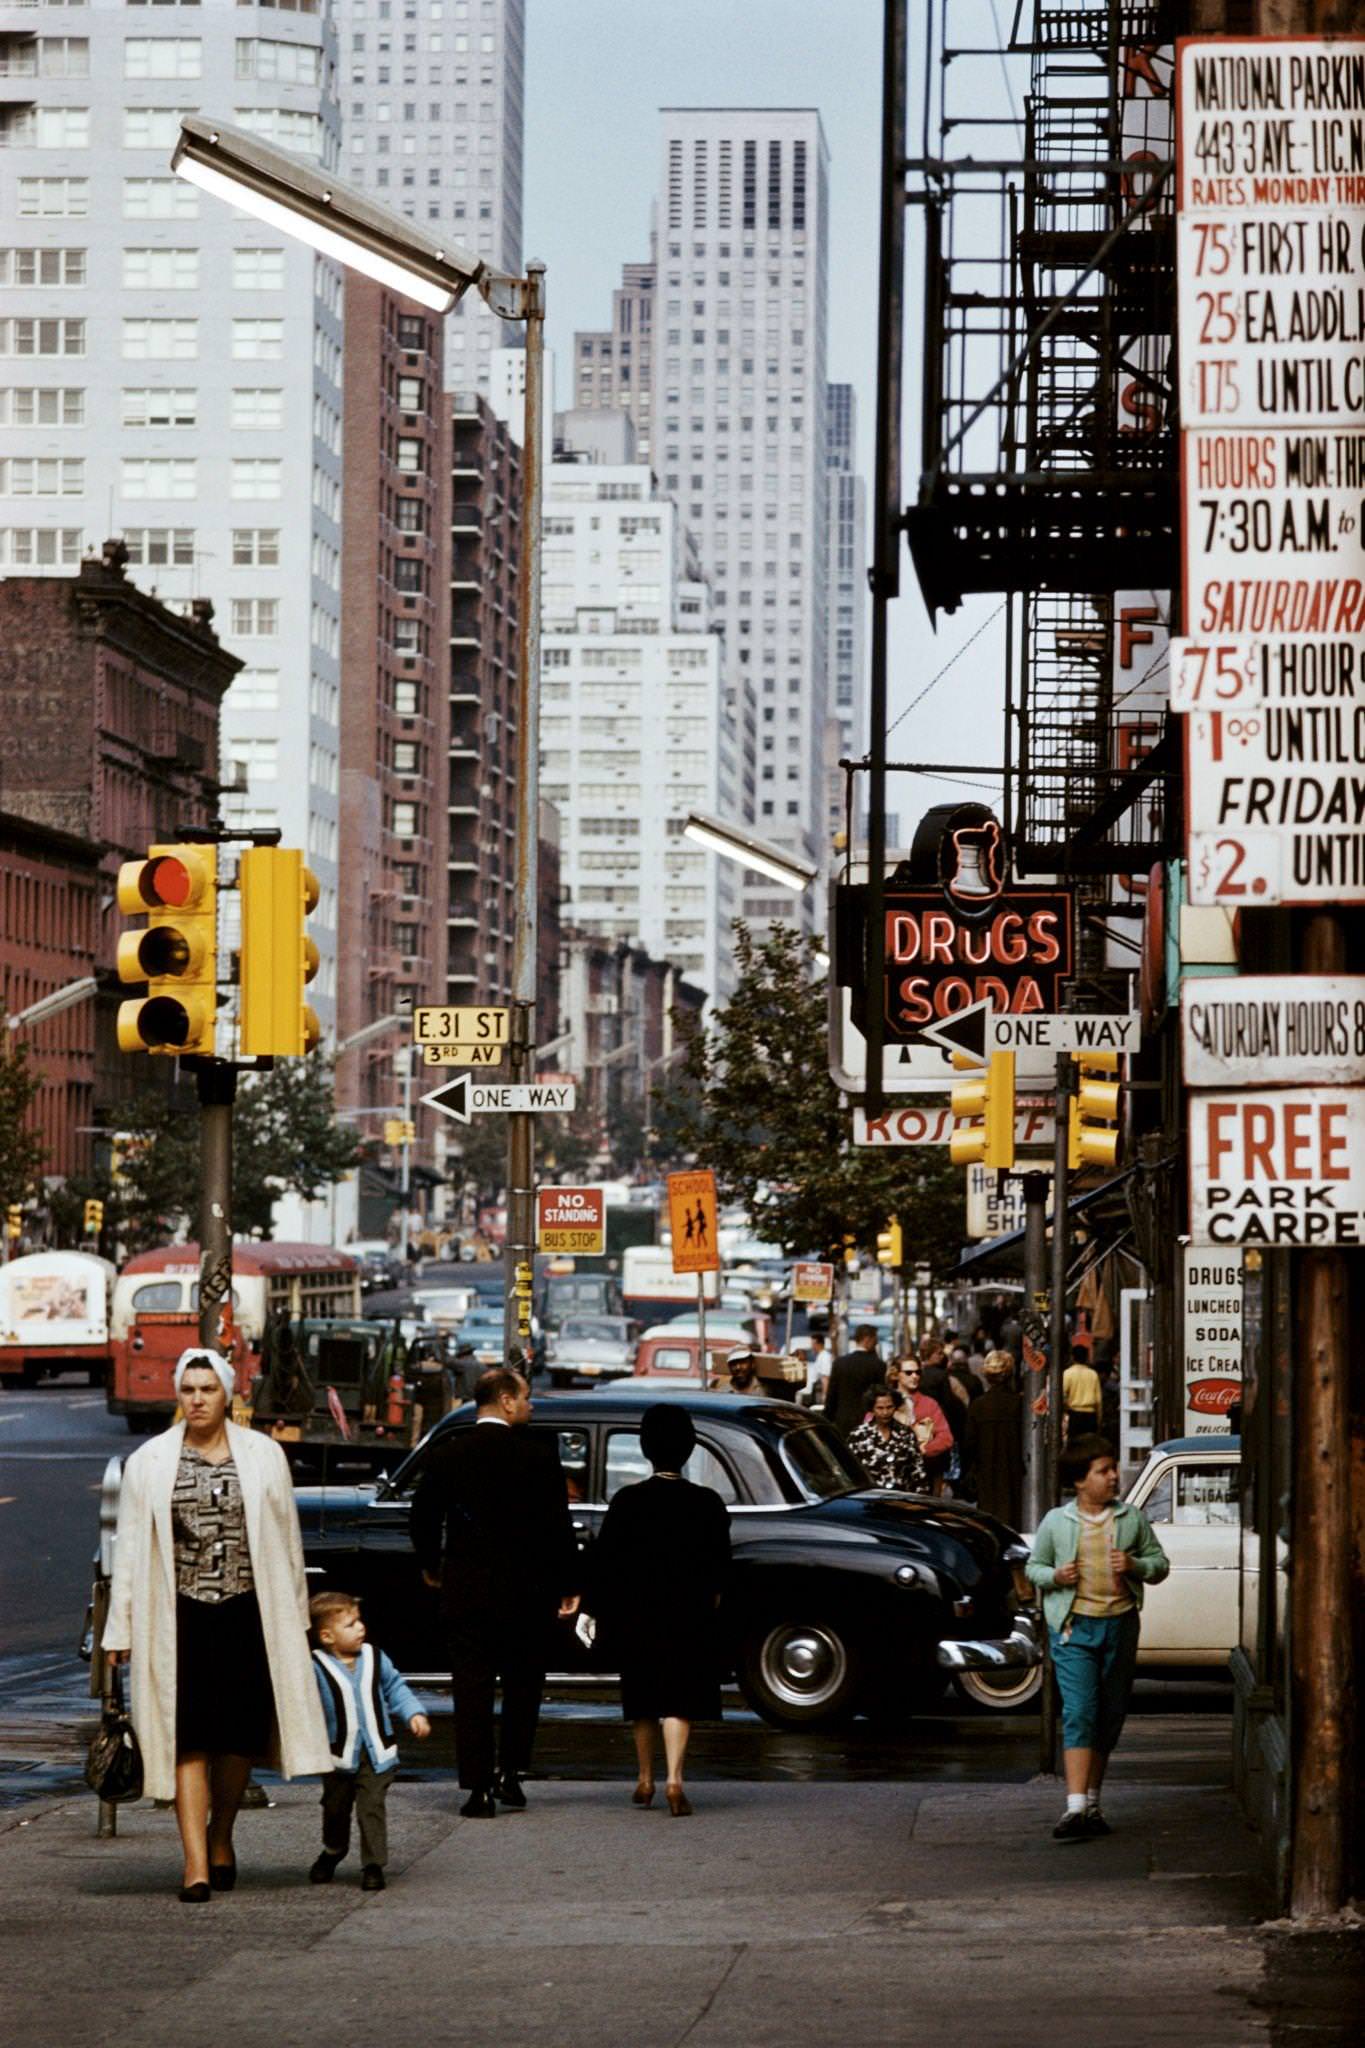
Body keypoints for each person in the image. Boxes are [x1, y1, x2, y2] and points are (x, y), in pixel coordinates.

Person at [102, 1349, 332, 1901]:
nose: (198, 1399)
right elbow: (129, 1550)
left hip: (247, 1613)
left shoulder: (263, 1455)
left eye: (208, 1389)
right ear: (177, 1396)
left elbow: (287, 1542)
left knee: (236, 1745)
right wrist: (119, 1630)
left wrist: (297, 1618)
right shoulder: (150, 1461)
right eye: (188, 1390)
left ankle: (221, 1834)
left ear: (227, 1394)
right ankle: (196, 1865)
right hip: (179, 1618)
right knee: (189, 1741)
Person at [410, 1366, 580, 1816]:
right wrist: (567, 1583)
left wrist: (432, 1564)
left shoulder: (450, 1453)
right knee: (524, 1683)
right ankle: (511, 1774)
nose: (530, 1404)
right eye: (524, 1397)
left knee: (472, 1686)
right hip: (527, 1590)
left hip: (467, 1587)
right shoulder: (539, 1456)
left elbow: (422, 1516)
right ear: (505, 1401)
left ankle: (478, 1788)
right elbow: (557, 1528)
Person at [1026, 1434, 1169, 1842]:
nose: (1112, 1477)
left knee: (1109, 1715)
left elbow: (1160, 1566)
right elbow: (1034, 1567)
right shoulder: (1057, 1522)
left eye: (1111, 1470)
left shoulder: (1130, 1519)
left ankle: (1091, 1803)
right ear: (1080, 1481)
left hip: (1120, 1626)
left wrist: (1136, 1564)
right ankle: (1073, 1808)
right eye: (1103, 1471)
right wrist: (1055, 1576)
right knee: (1080, 1711)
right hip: (1073, 1628)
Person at [589, 1404, 730, 1818]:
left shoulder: (627, 1501)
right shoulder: (707, 1503)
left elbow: (606, 1562)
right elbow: (721, 1566)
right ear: (688, 1449)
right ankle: (675, 1780)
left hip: (639, 1614)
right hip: (689, 1613)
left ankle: (645, 1777)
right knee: (680, 1698)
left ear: (646, 1448)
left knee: (644, 1697)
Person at [308, 1590, 431, 1891]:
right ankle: (334, 1850)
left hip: (377, 1752)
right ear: (327, 1636)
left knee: (371, 1807)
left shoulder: (376, 1658)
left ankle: (373, 1864)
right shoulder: (315, 1666)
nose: (360, 1628)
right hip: (338, 1755)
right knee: (335, 1808)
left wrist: (414, 1713)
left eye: (359, 1621)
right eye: (350, 1625)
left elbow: (395, 1688)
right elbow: (305, 1706)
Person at [963, 1350, 1024, 1528]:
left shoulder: (978, 1405)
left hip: (986, 1471)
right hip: (1013, 1470)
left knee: (989, 1521)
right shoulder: (1019, 1404)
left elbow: (969, 1443)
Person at [847, 1389, 928, 1492]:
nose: (885, 1412)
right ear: (872, 1408)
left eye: (889, 1407)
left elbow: (917, 1469)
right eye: (880, 1408)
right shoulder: (858, 1435)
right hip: (871, 1500)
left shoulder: (906, 1433)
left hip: (902, 1498)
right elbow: (851, 1471)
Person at [823, 1324, 884, 1437]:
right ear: (867, 1339)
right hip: (868, 1422)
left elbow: (832, 1396)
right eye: (875, 1340)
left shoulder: (840, 1363)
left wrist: (826, 1419)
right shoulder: (878, 1365)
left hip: (843, 1422)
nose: (876, 1343)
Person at [891, 1357, 953, 1466]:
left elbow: (946, 1437)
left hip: (924, 1468)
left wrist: (924, 1449)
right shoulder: (884, 1402)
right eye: (908, 1373)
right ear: (896, 1375)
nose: (915, 1376)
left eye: (918, 1372)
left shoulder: (929, 1403)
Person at [1062, 1354, 1104, 1441]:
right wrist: (1099, 1419)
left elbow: (1062, 1395)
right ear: (1086, 1358)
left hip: (1074, 1415)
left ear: (1073, 1358)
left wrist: (1065, 1410)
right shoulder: (1093, 1374)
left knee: (1074, 1444)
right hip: (1090, 1415)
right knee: (1089, 1444)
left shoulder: (1068, 1373)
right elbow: (1099, 1400)